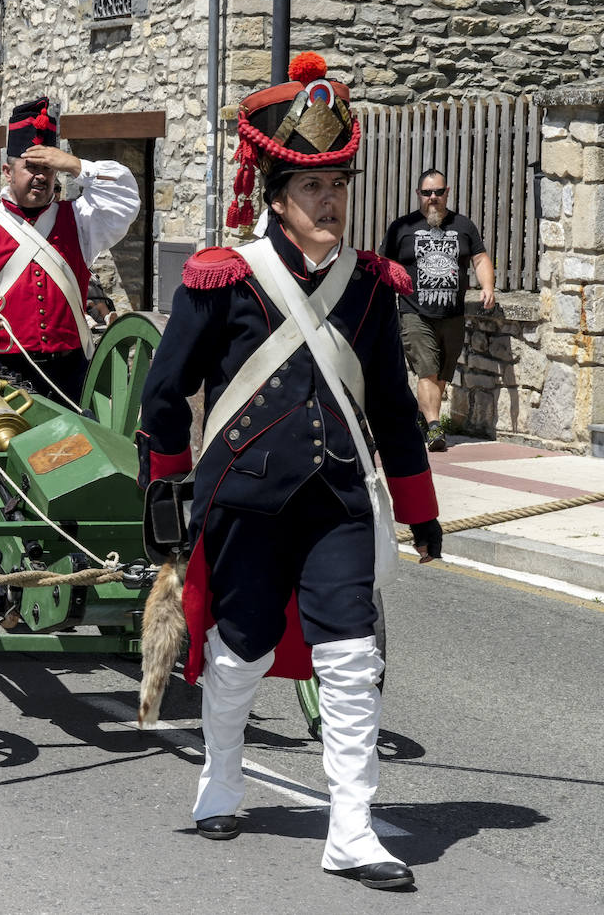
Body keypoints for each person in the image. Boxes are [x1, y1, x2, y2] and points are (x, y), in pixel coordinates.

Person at [136, 53, 442, 891]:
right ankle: (223, 774)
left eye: (339, 185)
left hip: (340, 497)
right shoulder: (221, 278)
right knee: (240, 650)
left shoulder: (373, 287)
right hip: (245, 500)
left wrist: (418, 509)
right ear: (276, 195)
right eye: (314, 187)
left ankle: (351, 827)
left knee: (352, 653)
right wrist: (167, 498)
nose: (331, 201)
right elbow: (164, 397)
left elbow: (391, 408)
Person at [0, 97, 139, 405]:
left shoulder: (79, 219)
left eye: (48, 168)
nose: (40, 175)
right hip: (0, 372)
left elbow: (125, 196)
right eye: (30, 167)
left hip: (69, 371)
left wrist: (75, 165)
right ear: (8, 172)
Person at [380, 168, 495, 451]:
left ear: (447, 193)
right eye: (427, 193)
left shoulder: (464, 226)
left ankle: (423, 417)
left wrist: (488, 286)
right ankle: (434, 428)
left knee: (443, 374)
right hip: (414, 312)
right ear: (419, 194)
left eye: (438, 192)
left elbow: (480, 259)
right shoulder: (402, 227)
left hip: (452, 314)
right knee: (427, 371)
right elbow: (383, 265)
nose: (433, 198)